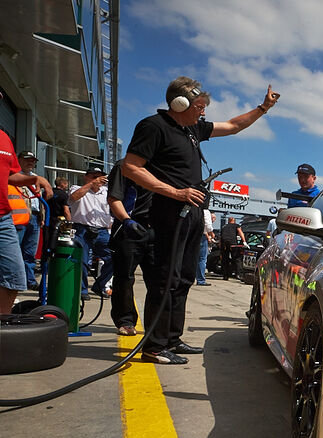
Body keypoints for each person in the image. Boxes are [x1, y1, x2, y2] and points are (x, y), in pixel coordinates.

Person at [121, 76, 279, 364]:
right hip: (170, 211)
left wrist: (263, 108)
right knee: (165, 278)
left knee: (183, 278)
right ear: (179, 103)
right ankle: (154, 346)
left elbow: (233, 126)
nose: (203, 111)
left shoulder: (192, 128)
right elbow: (131, 167)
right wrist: (174, 192)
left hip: (192, 211)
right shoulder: (153, 127)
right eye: (200, 105)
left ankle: (171, 338)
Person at [106, 165, 153, 336]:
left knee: (159, 282)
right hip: (129, 227)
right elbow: (114, 199)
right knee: (124, 277)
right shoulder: (124, 166)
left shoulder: (162, 168)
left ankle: (155, 324)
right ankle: (125, 320)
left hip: (156, 231)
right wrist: (126, 220)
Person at [1, 130, 42, 313]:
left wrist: (35, 179)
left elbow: (11, 175)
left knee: (14, 276)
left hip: (4, 218)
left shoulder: (4, 138)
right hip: (15, 222)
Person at [67, 165, 113, 299]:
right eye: (93, 176)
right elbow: (74, 197)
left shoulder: (106, 192)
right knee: (82, 260)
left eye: (99, 177)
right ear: (86, 177)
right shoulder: (76, 188)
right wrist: (91, 184)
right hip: (82, 229)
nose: (97, 179)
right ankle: (82, 290)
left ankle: (100, 284)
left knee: (115, 256)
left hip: (102, 231)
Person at [15, 151, 53, 290]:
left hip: (35, 218)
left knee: (30, 252)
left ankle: (29, 280)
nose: (30, 163)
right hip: (19, 218)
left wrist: (42, 217)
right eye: (27, 160)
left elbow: (40, 200)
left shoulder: (37, 178)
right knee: (15, 251)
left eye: (32, 160)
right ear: (19, 160)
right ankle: (15, 279)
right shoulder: (14, 177)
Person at [195, 208, 213, 286]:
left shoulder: (194, 209)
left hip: (192, 234)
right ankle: (201, 280)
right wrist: (211, 233)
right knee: (202, 258)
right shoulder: (205, 211)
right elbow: (208, 226)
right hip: (201, 236)